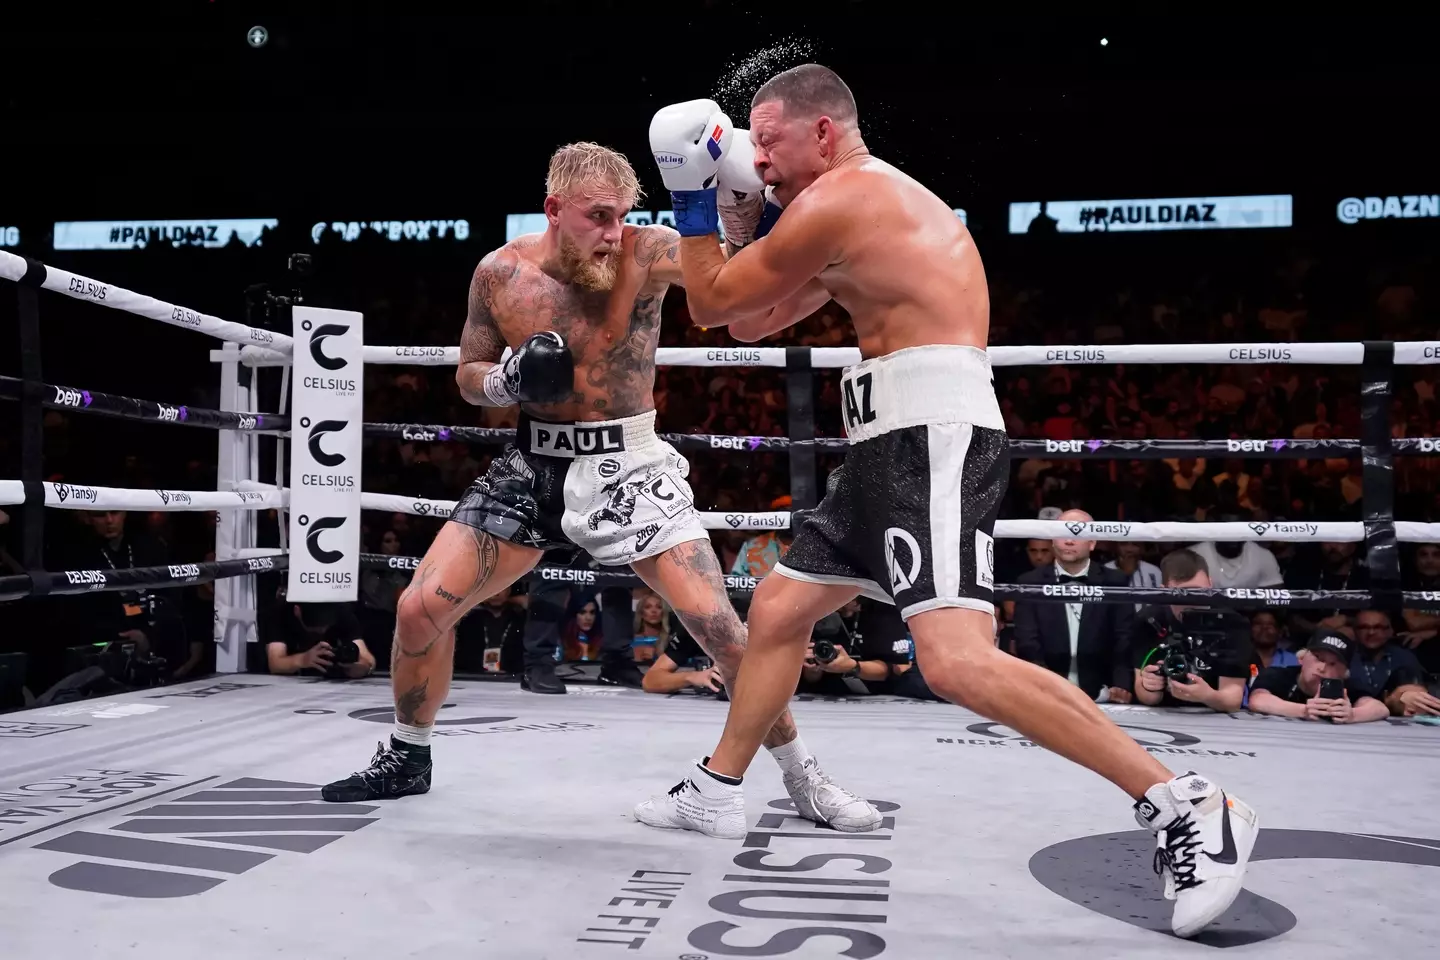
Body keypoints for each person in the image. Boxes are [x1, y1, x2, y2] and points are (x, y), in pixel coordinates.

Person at [635, 64, 1258, 939]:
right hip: (886, 444)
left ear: (822, 130)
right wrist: (742, 207)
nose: (758, 160)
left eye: (766, 141)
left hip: (929, 436)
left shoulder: (847, 196)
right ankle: (716, 789)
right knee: (779, 608)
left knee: (956, 661)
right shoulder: (850, 212)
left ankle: (1188, 803)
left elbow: (708, 302)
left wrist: (693, 196)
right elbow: (750, 322)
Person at [321, 141, 877, 835]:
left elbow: (734, 282)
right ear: (555, 210)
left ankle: (804, 778)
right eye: (599, 217)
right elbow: (469, 370)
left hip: (630, 467)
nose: (614, 232)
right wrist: (504, 381)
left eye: (623, 215)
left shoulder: (646, 253)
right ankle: (408, 756)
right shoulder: (501, 272)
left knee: (724, 634)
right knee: (415, 611)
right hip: (531, 465)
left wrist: (748, 214)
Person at [1245, 629, 1389, 723]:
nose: (1322, 668)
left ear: (1344, 673)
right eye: (1318, 658)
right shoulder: (1279, 674)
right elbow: (1258, 699)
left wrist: (1352, 715)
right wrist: (1303, 711)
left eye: (1333, 664)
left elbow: (1379, 708)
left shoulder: (1348, 685)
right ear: (1301, 658)